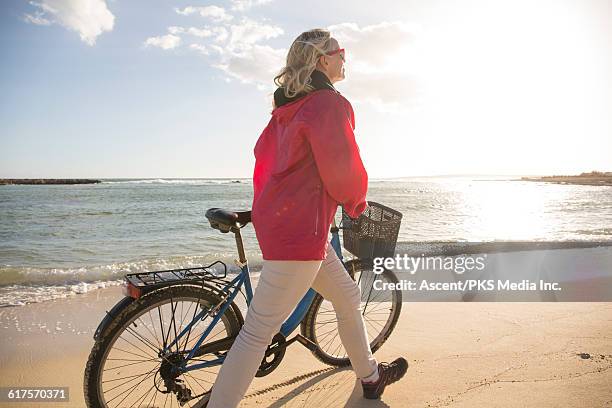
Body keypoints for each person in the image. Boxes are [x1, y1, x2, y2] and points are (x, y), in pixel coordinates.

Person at [199, 28, 408, 408]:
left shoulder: (286, 108)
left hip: (286, 225)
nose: (345, 57)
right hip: (301, 233)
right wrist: (355, 202)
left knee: (346, 297)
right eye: (339, 51)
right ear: (321, 60)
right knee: (257, 332)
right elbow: (343, 170)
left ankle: (371, 377)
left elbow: (266, 164)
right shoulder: (328, 103)